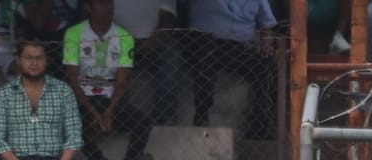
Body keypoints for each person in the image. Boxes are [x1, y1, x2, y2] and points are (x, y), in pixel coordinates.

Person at [63, 0, 154, 160]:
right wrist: (93, 112)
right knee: (71, 126)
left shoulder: (124, 37)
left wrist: (109, 112)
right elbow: (72, 79)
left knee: (143, 122)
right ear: (89, 7)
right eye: (102, 3)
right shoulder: (74, 34)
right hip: (83, 100)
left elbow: (122, 81)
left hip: (110, 99)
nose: (108, 7)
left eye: (110, 3)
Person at [179, 0, 277, 140]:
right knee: (205, 51)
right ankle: (202, 115)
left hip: (240, 47)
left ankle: (260, 126)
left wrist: (267, 43)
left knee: (265, 62)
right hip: (204, 42)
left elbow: (266, 24)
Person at [112, 0, 180, 125]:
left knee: (171, 54)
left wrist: (153, 41)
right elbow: (100, 14)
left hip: (154, 39)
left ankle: (164, 117)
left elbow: (168, 16)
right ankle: (117, 117)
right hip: (117, 39)